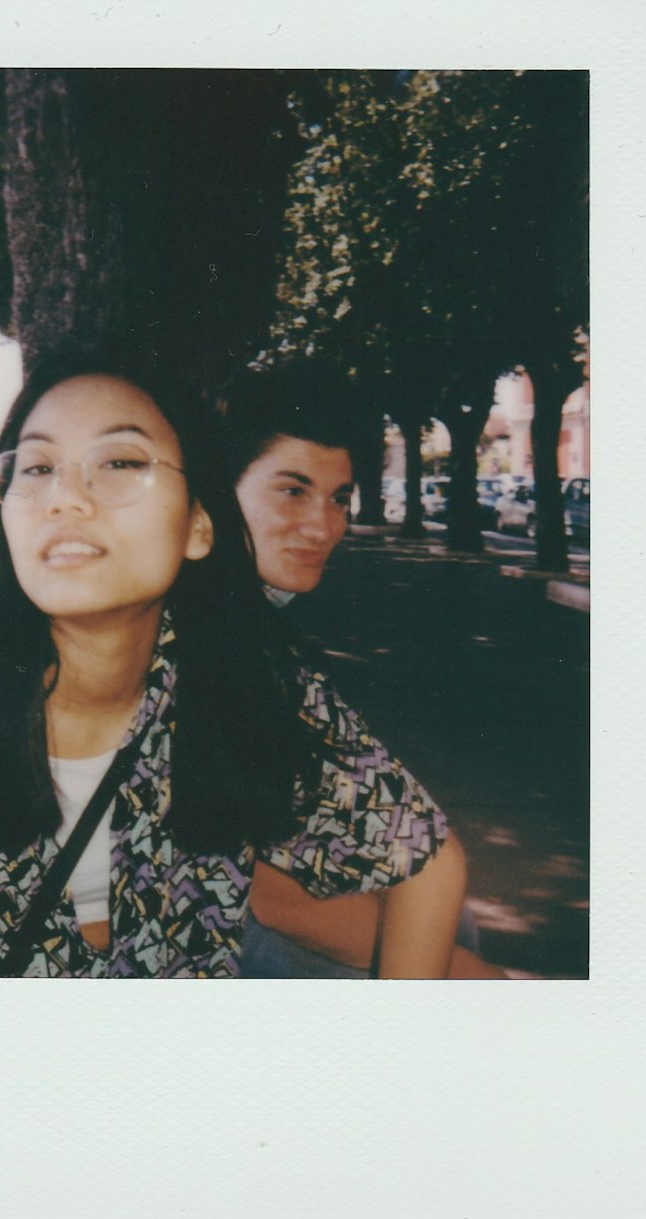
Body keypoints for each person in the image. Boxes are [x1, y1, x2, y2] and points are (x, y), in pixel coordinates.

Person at [0, 345, 463, 978]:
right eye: (36, 468)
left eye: (119, 461)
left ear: (200, 525)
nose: (64, 495)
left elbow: (422, 857)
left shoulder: (246, 675)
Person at [218, 360, 504, 979]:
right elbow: (273, 901)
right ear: (219, 492)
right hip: (173, 943)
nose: (323, 526)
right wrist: (472, 980)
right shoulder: (218, 637)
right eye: (292, 490)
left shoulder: (256, 627)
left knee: (453, 922)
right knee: (450, 941)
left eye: (339, 498)